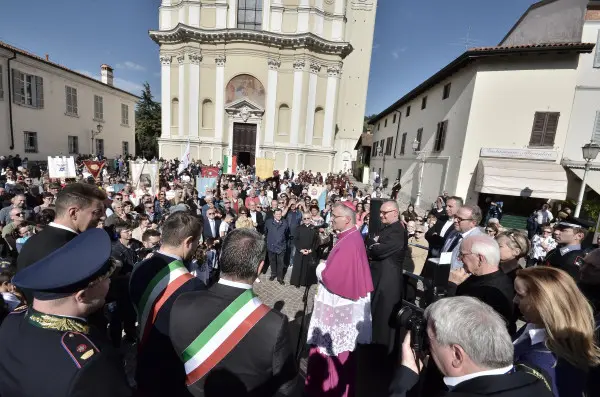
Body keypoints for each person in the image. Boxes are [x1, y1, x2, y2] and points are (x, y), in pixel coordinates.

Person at [0, 229, 132, 397]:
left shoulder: (12, 320)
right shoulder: (91, 365)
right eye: (106, 278)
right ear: (82, 296)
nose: (109, 282)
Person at [169, 228, 300, 396]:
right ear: (260, 267)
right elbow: (286, 385)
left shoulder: (182, 303)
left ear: (222, 257)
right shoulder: (274, 324)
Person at [390, 296, 553, 397]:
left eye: (431, 342)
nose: (428, 349)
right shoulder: (536, 378)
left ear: (457, 355)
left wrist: (405, 382)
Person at [129, 212, 206, 397]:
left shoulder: (139, 267)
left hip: (144, 360)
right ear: (188, 241)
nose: (197, 246)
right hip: (172, 371)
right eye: (196, 242)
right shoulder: (193, 286)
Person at [306, 203, 373, 397]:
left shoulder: (351, 242)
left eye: (335, 216)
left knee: (334, 350)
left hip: (339, 308)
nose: (331, 219)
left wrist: (320, 268)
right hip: (337, 305)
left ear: (347, 219)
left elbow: (334, 279)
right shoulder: (348, 236)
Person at [513, 267, 600, 396]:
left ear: (544, 302)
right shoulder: (533, 327)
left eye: (520, 295)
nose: (515, 300)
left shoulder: (542, 360)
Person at [17, 183, 107, 272]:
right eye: (97, 212)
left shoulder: (32, 242)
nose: (103, 217)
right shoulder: (70, 250)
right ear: (73, 213)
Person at [448, 234, 516, 334]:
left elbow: (449, 316)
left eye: (462, 254)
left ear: (480, 258)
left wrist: (451, 285)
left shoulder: (495, 291)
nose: (459, 259)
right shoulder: (472, 276)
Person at [367, 199, 408, 353]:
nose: (381, 216)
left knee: (384, 317)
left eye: (385, 213)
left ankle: (382, 351)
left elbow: (378, 250)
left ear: (395, 213)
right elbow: (371, 243)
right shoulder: (386, 228)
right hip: (380, 277)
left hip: (388, 280)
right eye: (380, 212)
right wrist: (373, 244)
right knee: (376, 313)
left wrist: (373, 245)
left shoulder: (398, 230)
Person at [448, 204, 484, 270]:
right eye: (455, 216)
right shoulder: (453, 233)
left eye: (460, 219)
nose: (455, 220)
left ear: (473, 223)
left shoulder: (479, 241)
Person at [289, 212, 319, 288]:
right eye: (304, 218)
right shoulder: (298, 228)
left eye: (308, 218)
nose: (306, 220)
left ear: (310, 218)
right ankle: (298, 282)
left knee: (307, 268)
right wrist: (300, 249)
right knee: (299, 267)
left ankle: (306, 282)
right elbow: (295, 240)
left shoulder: (314, 228)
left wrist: (311, 250)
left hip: (310, 252)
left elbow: (317, 241)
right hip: (300, 252)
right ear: (302, 219)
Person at [264, 208, 290, 284]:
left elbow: (286, 233)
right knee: (272, 261)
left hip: (281, 246)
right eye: (277, 214)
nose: (278, 215)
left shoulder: (285, 223)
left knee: (280, 262)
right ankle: (273, 274)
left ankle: (280, 277)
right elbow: (265, 231)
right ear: (274, 215)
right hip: (271, 245)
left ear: (281, 214)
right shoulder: (268, 222)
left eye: (280, 214)